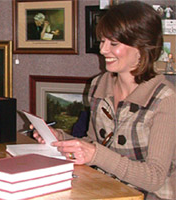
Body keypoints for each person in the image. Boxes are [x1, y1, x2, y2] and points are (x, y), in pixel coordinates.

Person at [33, 1, 176, 200]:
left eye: (113, 44)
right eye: (102, 42)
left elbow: (155, 177)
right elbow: (93, 144)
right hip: (107, 191)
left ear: (141, 47)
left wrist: (96, 155)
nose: (103, 50)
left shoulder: (165, 98)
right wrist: (60, 139)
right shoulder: (99, 85)